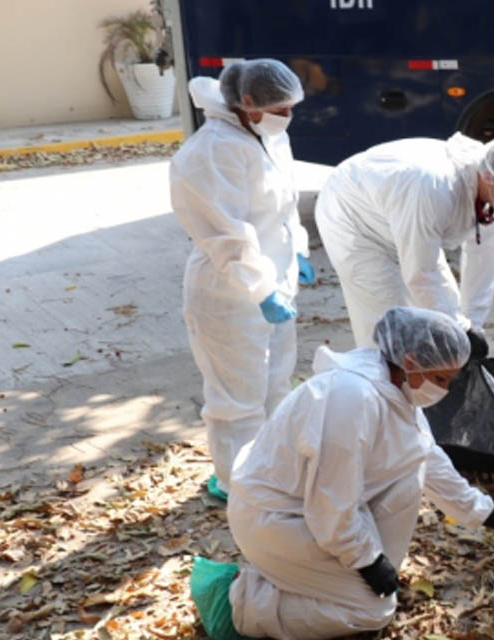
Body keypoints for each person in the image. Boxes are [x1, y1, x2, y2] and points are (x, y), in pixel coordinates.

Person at [189, 307, 494, 639]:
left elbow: (425, 456)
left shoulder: (393, 387)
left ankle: (320, 578)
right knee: (371, 611)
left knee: (409, 475)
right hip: (276, 519)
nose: (444, 390)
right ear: (409, 361)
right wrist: (367, 561)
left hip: (309, 512)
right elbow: (329, 503)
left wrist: (483, 511)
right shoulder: (352, 398)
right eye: (440, 379)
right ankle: (236, 603)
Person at [169, 59, 312, 501]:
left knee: (274, 387)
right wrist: (262, 289)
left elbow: (286, 204)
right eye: (281, 108)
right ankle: (238, 487)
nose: (287, 116)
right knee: (237, 399)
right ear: (247, 102)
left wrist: (300, 252)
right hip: (228, 294)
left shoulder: (267, 135)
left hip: (274, 284)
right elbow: (228, 234)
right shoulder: (211, 151)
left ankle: (268, 471)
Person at [315, 134, 494, 356]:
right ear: (490, 177)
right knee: (389, 322)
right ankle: (379, 387)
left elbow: (483, 264)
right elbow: (421, 273)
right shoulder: (434, 186)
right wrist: (459, 329)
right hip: (354, 219)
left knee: (440, 310)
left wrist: (472, 326)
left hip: (403, 219)